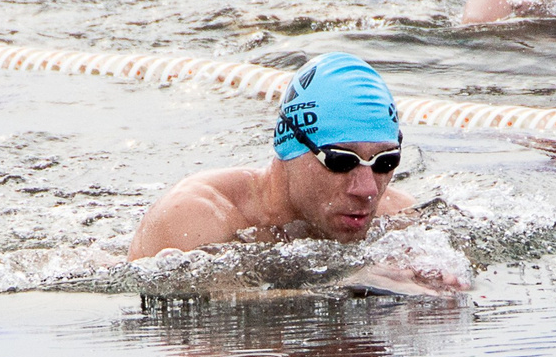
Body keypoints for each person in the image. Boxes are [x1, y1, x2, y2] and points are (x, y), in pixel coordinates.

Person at [129, 55, 460, 292]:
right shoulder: (196, 218)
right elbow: (209, 308)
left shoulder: (399, 217)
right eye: (341, 162)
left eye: (384, 162)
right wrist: (352, 279)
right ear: (293, 148)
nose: (367, 189)